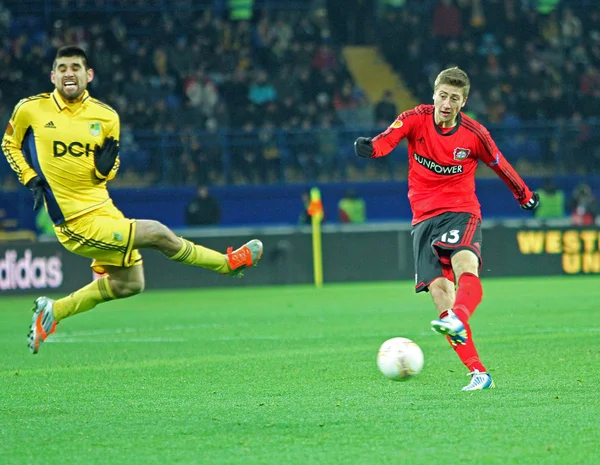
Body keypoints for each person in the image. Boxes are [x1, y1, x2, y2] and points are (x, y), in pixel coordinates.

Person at [1, 46, 263, 355]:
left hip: (104, 209)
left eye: (75, 67)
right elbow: (9, 144)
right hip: (72, 221)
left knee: (130, 285)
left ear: (89, 75)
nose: (68, 72)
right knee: (156, 233)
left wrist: (104, 169)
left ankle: (54, 311)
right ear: (53, 75)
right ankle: (226, 265)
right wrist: (30, 178)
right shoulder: (31, 109)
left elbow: (110, 169)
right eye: (62, 67)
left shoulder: (106, 116)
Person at [354, 67, 539, 391]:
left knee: (465, 264)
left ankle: (460, 317)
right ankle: (479, 372)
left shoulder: (474, 134)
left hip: (461, 211)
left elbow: (500, 164)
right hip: (423, 219)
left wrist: (524, 196)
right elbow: (387, 139)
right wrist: (371, 149)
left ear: (463, 101)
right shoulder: (415, 118)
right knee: (441, 294)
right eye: (443, 95)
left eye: (454, 98)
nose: (447, 103)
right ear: (434, 95)